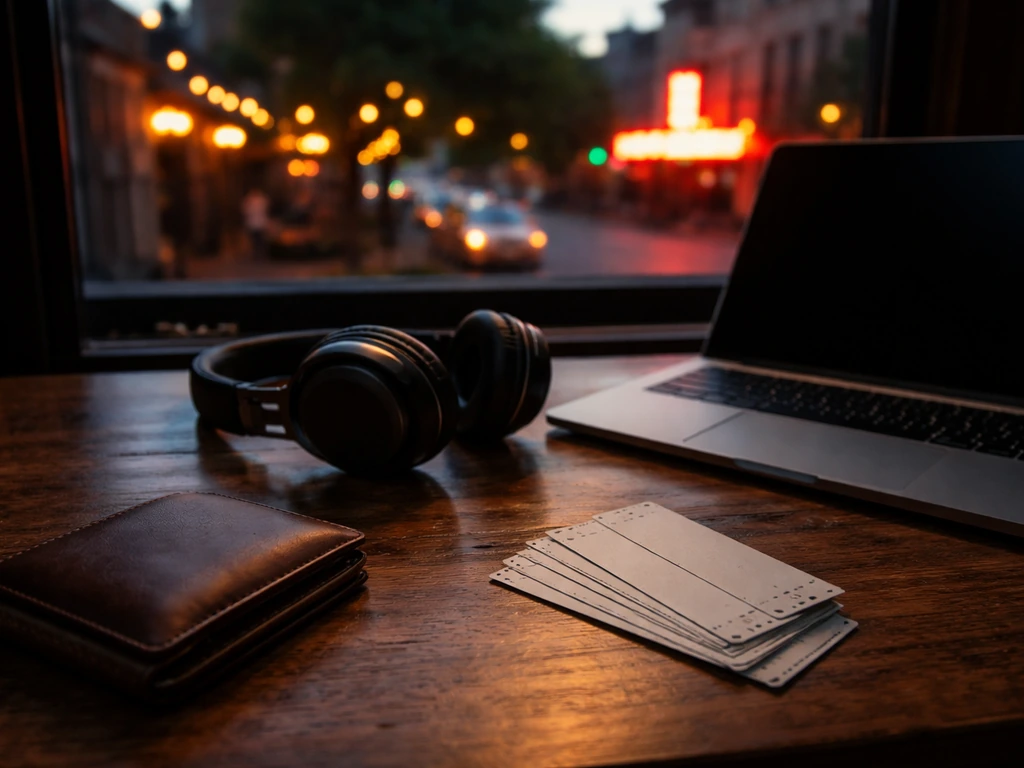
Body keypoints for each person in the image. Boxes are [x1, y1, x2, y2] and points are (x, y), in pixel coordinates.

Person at [241, 187, 270, 259]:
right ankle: (258, 253)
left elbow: (244, 210)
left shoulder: (250, 200)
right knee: (257, 239)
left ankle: (258, 253)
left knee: (257, 239)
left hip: (256, 223)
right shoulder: (260, 199)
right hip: (257, 223)